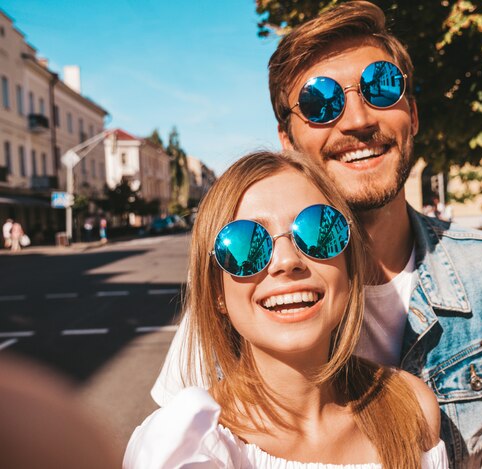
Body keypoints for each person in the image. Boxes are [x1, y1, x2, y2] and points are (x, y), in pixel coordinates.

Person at [153, 2, 482, 467]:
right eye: (321, 103)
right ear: (287, 140)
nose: (358, 120)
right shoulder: (237, 304)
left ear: (413, 114)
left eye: (382, 87)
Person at [124, 151, 448, 468]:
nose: (286, 261)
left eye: (317, 231)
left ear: (349, 270)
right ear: (217, 293)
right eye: (244, 244)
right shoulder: (188, 447)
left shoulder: (412, 409)